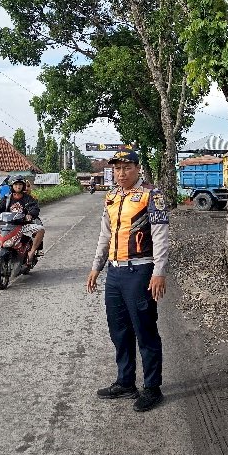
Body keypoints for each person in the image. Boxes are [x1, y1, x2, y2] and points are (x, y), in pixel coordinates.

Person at [86, 148, 169, 413]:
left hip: (140, 271)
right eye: (117, 169)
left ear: (137, 168)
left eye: (127, 168)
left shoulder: (151, 195)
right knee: (119, 331)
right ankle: (125, 382)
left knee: (145, 330)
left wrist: (159, 271)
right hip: (115, 272)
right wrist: (96, 267)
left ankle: (152, 387)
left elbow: (160, 236)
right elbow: (105, 235)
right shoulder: (110, 197)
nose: (121, 173)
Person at [0, 175, 45, 263]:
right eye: (16, 184)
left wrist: (30, 214)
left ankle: (32, 252)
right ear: (12, 186)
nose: (18, 186)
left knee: (41, 229)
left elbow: (34, 208)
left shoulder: (28, 198)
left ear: (23, 186)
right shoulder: (7, 198)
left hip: (23, 225)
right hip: (8, 225)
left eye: (20, 184)